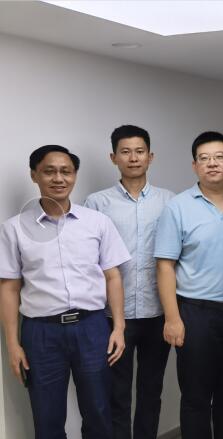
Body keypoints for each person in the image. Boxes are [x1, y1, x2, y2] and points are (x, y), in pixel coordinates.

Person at [0, 145, 129, 438]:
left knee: (99, 412)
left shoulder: (97, 222)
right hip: (41, 333)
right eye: (49, 171)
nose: (59, 178)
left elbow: (113, 277)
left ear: (74, 175)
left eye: (66, 171)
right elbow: (9, 287)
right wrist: (12, 344)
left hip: (92, 328)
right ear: (34, 175)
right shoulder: (14, 229)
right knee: (47, 417)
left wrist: (119, 327)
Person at [154, 131, 223, 439]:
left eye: (219, 157)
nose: (212, 163)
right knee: (196, 397)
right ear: (195, 166)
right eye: (204, 158)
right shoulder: (178, 207)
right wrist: (172, 318)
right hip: (195, 314)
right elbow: (165, 266)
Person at [84, 125, 176, 439]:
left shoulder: (169, 201)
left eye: (139, 151)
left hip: (157, 312)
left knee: (151, 391)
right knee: (116, 393)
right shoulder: (97, 203)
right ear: (114, 157)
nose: (133, 158)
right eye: (125, 152)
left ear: (150, 156)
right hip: (113, 316)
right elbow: (89, 258)